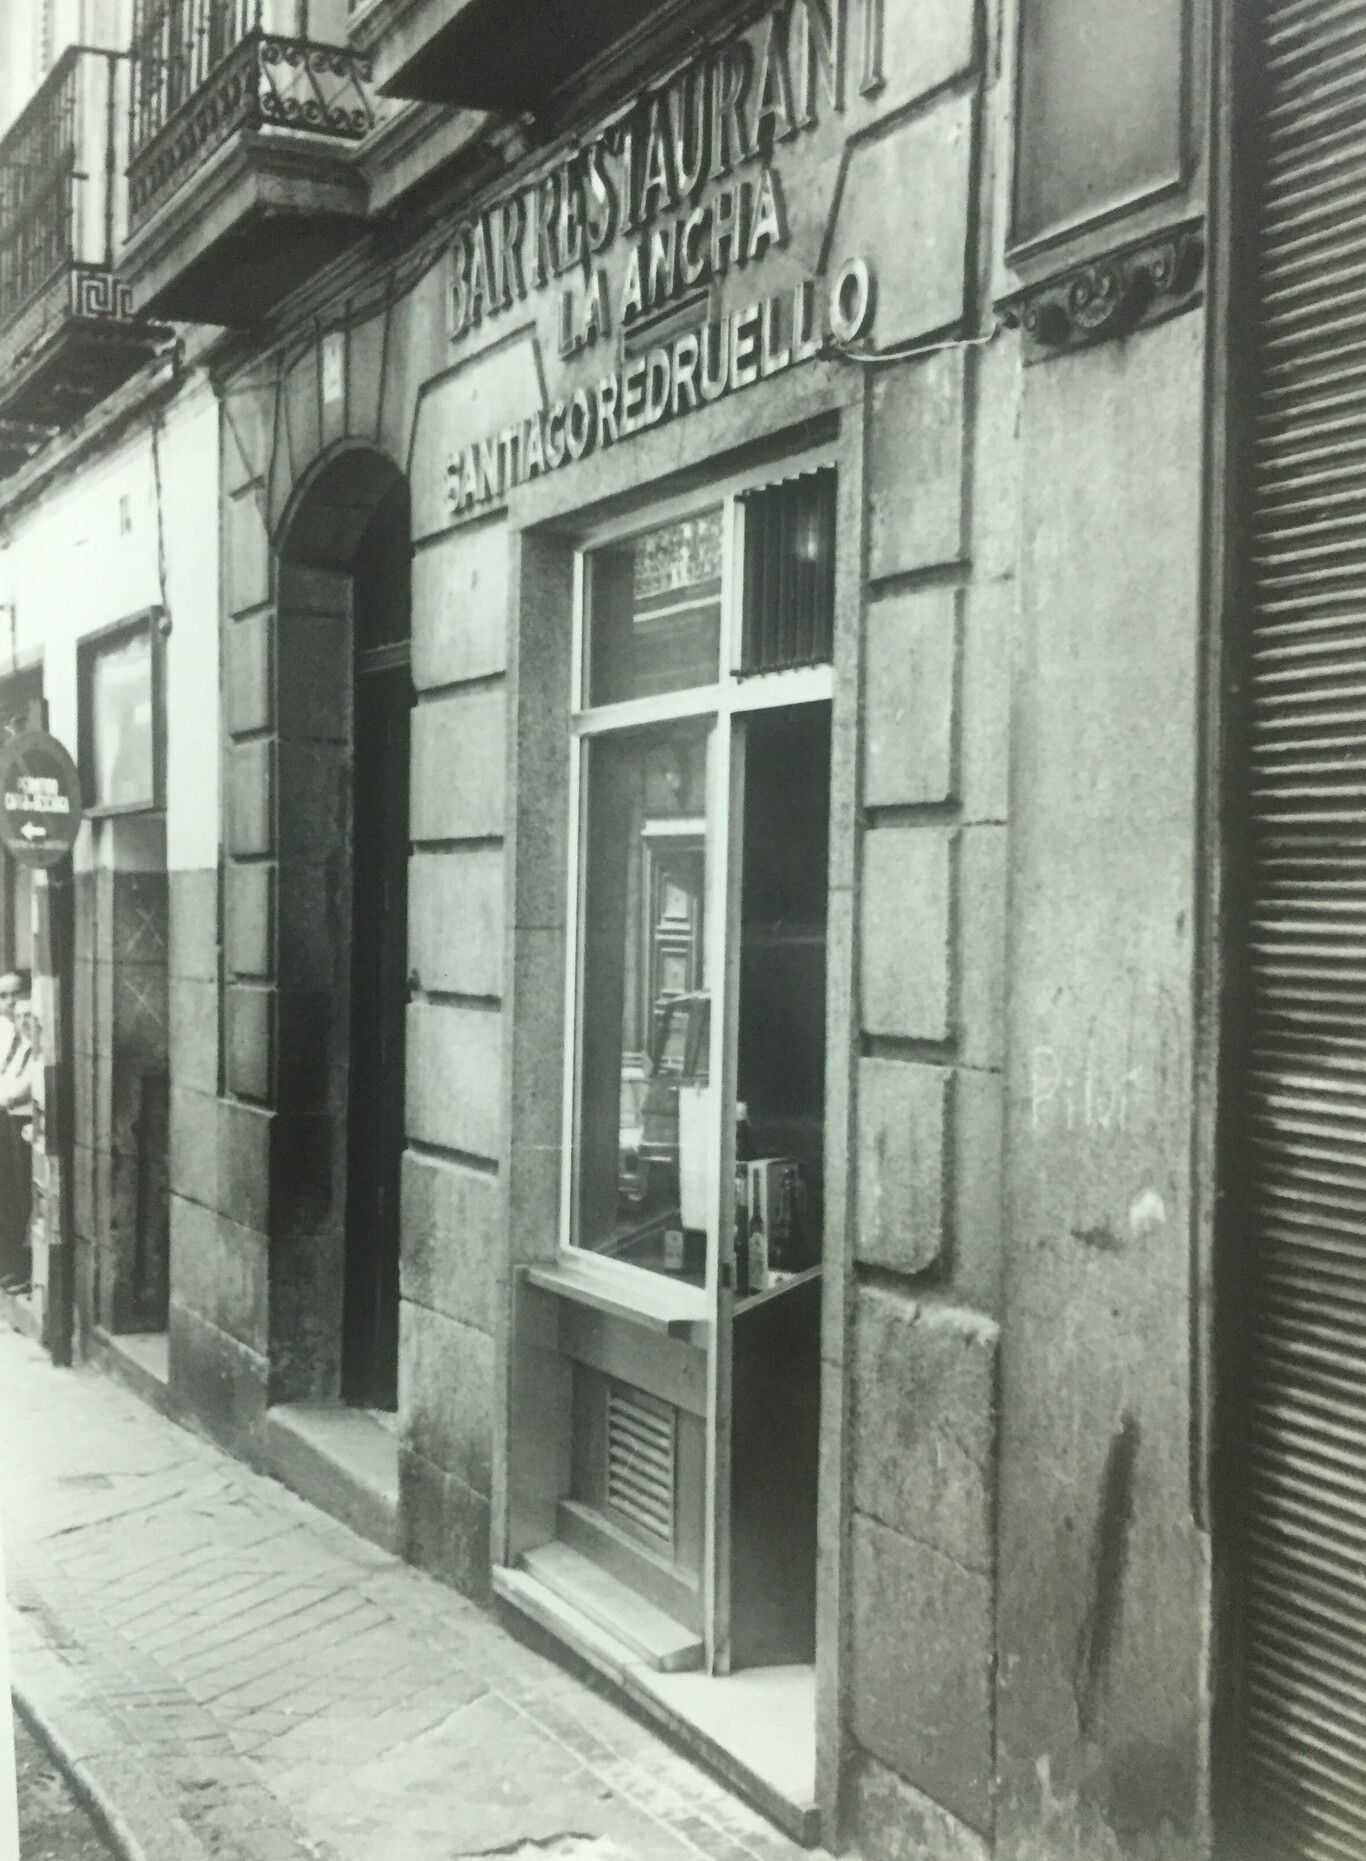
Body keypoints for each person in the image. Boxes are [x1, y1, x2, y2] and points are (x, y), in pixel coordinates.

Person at [0, 972, 33, 1288]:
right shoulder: (17, 1043)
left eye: (27, 1014)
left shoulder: (37, 1051)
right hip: (8, 1124)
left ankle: (26, 1269)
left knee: (26, 1198)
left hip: (22, 1126)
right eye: (5, 998)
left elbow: (12, 1092)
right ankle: (11, 1264)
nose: (15, 1011)